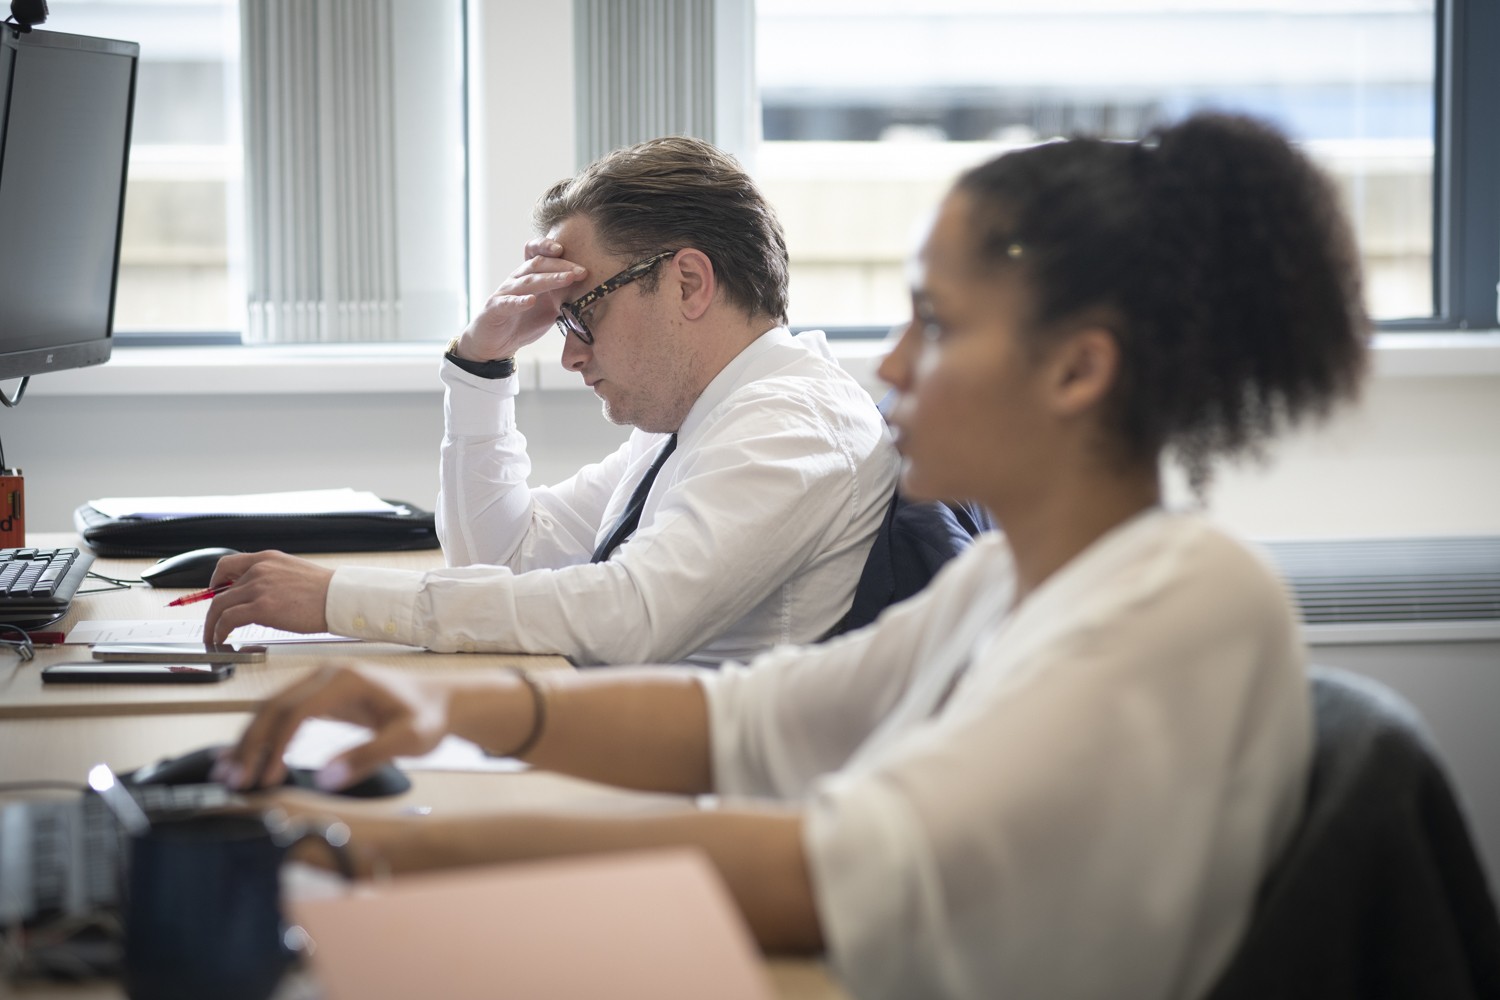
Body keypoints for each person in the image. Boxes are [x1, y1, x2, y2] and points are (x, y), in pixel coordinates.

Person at [217, 113, 1369, 999]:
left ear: (1078, 370)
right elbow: (747, 721)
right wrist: (440, 704)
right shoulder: (1012, 579)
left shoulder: (1186, 602)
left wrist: (349, 842)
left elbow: (829, 864)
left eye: (940, 322)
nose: (897, 363)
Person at [203, 136, 899, 666]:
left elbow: (631, 612)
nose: (569, 354)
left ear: (688, 283)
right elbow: (502, 557)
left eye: (581, 312)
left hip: (701, 810)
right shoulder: (700, 419)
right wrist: (480, 365)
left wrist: (335, 599)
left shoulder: (789, 425)